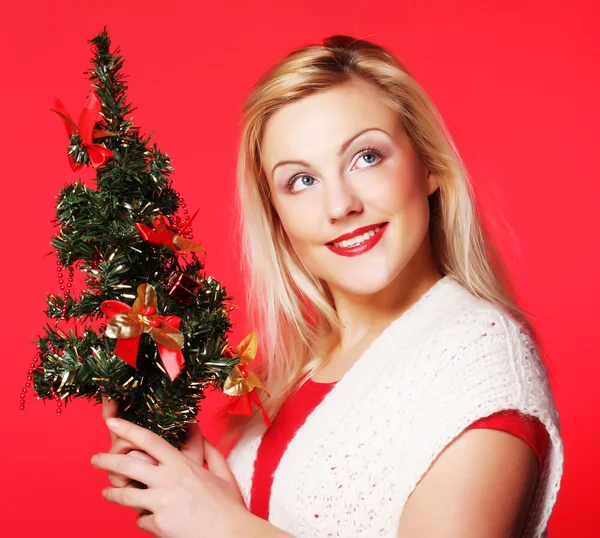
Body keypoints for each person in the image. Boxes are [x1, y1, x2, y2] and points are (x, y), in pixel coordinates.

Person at [92, 35, 564, 538]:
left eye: (366, 157)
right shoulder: (294, 372)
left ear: (428, 166)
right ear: (278, 217)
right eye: (301, 181)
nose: (340, 206)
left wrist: (222, 526)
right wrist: (206, 487)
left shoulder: (479, 355)